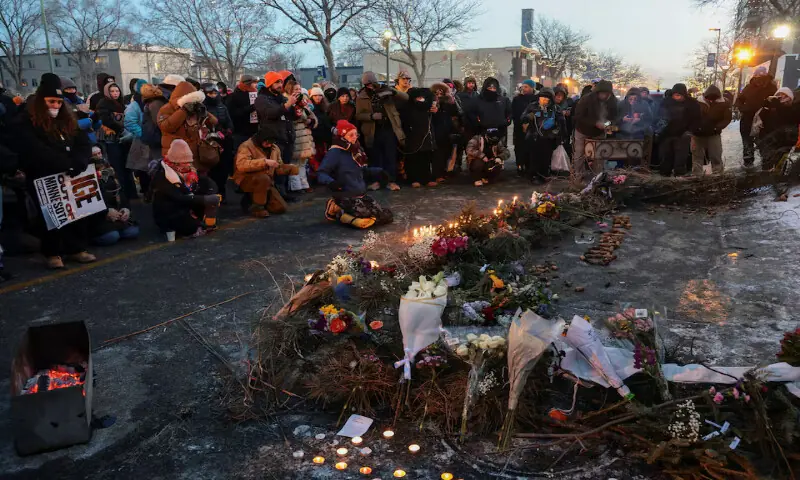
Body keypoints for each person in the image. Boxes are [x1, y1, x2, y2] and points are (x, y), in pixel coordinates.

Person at [12, 73, 95, 269]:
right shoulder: (27, 120)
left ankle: (76, 248)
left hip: (70, 173)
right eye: (51, 101)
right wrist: (65, 163)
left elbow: (82, 142)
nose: (56, 106)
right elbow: (35, 149)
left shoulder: (67, 119)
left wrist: (79, 162)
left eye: (59, 102)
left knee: (75, 211)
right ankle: (52, 252)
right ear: (42, 101)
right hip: (43, 174)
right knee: (49, 214)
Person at [318, 120, 393, 229]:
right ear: (342, 136)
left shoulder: (356, 150)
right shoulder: (335, 153)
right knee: (365, 216)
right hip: (345, 194)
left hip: (360, 193)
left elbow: (362, 170)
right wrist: (332, 182)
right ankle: (336, 208)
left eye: (355, 134)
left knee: (384, 216)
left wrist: (379, 171)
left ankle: (348, 213)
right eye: (351, 135)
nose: (354, 137)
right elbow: (321, 173)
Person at [151, 139, 220, 237]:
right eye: (185, 162)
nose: (188, 165)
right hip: (170, 212)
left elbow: (207, 181)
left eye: (189, 162)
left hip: (185, 207)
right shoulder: (163, 175)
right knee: (190, 226)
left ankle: (201, 222)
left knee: (206, 195)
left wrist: (211, 192)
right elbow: (178, 197)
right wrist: (203, 199)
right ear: (175, 163)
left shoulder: (190, 171)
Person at [355, 71, 407, 191]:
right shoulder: (361, 97)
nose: (371, 87)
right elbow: (358, 115)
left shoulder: (385, 91)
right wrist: (371, 116)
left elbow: (405, 98)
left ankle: (390, 181)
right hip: (372, 131)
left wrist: (392, 91)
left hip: (389, 129)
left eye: (372, 83)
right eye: (368, 85)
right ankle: (377, 181)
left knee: (390, 156)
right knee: (376, 157)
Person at [233, 125, 298, 217]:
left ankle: (252, 200)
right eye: (267, 142)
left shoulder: (274, 149)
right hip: (246, 179)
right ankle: (257, 208)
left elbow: (278, 166)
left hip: (267, 180)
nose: (270, 144)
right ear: (261, 139)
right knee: (263, 179)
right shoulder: (246, 146)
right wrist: (264, 162)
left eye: (272, 142)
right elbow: (241, 165)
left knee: (280, 208)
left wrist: (288, 168)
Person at [255, 72, 299, 200]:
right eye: (277, 82)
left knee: (285, 167)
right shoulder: (262, 99)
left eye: (281, 82)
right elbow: (271, 113)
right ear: (269, 84)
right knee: (275, 168)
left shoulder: (281, 98)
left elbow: (290, 116)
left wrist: (296, 111)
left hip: (287, 137)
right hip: (274, 138)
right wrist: (287, 105)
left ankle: (283, 193)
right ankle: (276, 196)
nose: (280, 85)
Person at [87, 147, 140, 245]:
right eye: (94, 155)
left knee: (133, 232)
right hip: (99, 216)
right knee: (112, 236)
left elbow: (120, 191)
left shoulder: (110, 170)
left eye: (99, 153)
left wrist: (125, 208)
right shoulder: (86, 176)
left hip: (116, 211)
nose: (98, 156)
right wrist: (106, 211)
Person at [96, 81, 139, 200]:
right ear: (107, 92)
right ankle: (123, 194)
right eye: (112, 91)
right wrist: (121, 128)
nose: (115, 93)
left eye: (117, 91)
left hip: (123, 137)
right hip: (111, 138)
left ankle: (131, 193)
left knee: (127, 165)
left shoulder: (121, 103)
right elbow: (106, 120)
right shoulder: (103, 103)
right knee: (117, 165)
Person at [157, 80, 218, 160]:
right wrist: (183, 111)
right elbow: (166, 126)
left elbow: (214, 122)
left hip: (195, 153)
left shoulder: (194, 108)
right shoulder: (167, 108)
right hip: (176, 154)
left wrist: (205, 113)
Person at [573, 80, 617, 176]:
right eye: (602, 94)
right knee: (580, 153)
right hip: (583, 130)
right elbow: (578, 116)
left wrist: (607, 124)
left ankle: (597, 176)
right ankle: (578, 175)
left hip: (599, 132)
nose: (604, 96)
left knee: (599, 154)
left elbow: (613, 116)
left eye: (607, 94)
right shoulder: (586, 99)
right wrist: (595, 123)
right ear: (597, 92)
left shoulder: (612, 101)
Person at [735, 66, 778, 167]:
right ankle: (748, 164)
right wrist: (743, 108)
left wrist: (767, 109)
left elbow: (775, 102)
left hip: (764, 120)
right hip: (747, 119)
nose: (759, 77)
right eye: (757, 75)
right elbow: (739, 100)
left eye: (762, 74)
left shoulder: (771, 87)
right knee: (747, 143)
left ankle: (767, 165)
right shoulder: (748, 87)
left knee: (764, 143)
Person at [521, 88, 565, 183]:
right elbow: (523, 118)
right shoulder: (532, 106)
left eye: (546, 99)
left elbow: (561, 124)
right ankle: (533, 175)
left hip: (548, 138)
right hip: (534, 137)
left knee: (546, 158)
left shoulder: (555, 108)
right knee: (534, 157)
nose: (543, 101)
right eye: (542, 98)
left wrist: (555, 134)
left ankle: (544, 175)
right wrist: (529, 116)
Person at [657, 83, 701, 176]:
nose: (676, 97)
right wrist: (660, 128)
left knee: (681, 157)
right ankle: (665, 175)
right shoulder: (666, 102)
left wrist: (690, 131)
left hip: (683, 134)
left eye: (679, 95)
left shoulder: (692, 103)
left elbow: (697, 119)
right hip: (667, 134)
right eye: (675, 95)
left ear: (683, 94)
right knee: (666, 157)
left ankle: (679, 175)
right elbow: (660, 115)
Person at [202, 83, 234, 203]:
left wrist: (228, 131)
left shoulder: (222, 106)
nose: (213, 95)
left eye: (215, 93)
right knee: (212, 168)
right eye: (210, 93)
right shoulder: (202, 108)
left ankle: (222, 191)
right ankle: (212, 192)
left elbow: (229, 122)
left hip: (223, 141)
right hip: (208, 143)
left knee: (224, 168)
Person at [753, 87, 800, 170]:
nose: (782, 97)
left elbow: (787, 116)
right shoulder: (771, 108)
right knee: (767, 165)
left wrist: (777, 105)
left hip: (785, 143)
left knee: (781, 164)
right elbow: (761, 121)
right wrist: (766, 104)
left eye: (785, 96)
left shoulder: (793, 109)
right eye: (779, 95)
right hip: (769, 141)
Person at [401, 87, 437, 187]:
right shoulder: (408, 107)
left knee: (426, 156)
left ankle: (426, 178)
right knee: (414, 157)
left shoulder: (429, 106)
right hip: (413, 133)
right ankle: (413, 178)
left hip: (426, 134)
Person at [691, 85, 732, 175]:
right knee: (697, 156)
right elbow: (691, 116)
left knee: (715, 155)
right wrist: (695, 127)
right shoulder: (697, 102)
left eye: (714, 99)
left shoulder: (724, 103)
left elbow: (727, 119)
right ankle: (697, 174)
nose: (711, 101)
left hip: (714, 134)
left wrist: (717, 127)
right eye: (709, 99)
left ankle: (718, 173)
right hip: (698, 134)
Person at [123, 79, 155, 195]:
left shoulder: (152, 102)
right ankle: (146, 192)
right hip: (141, 141)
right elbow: (129, 122)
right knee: (143, 169)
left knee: (153, 167)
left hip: (153, 140)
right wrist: (142, 133)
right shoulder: (135, 105)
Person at [288, 84, 317, 193]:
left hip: (305, 135)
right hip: (297, 135)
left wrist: (312, 121)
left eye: (299, 89)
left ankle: (304, 183)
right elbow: (294, 118)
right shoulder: (290, 103)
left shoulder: (304, 102)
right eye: (296, 89)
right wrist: (305, 118)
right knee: (294, 162)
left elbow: (312, 116)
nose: (298, 91)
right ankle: (295, 186)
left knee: (303, 162)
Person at [430, 82, 460, 182]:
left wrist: (451, 98)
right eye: (437, 93)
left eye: (441, 93)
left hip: (447, 130)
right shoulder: (433, 102)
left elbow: (456, 112)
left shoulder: (448, 103)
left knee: (447, 153)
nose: (439, 95)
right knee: (438, 154)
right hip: (436, 131)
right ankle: (437, 174)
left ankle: (444, 172)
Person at [61, 77, 101, 144]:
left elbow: (93, 123)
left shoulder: (80, 101)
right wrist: (90, 120)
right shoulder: (62, 104)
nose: (72, 91)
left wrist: (96, 118)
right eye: (68, 89)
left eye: (73, 89)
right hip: (75, 141)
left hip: (90, 138)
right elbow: (71, 125)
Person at [511, 79, 538, 176]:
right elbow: (513, 113)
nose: (524, 88)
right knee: (519, 147)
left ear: (532, 88)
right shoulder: (517, 99)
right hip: (519, 127)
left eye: (526, 86)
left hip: (532, 128)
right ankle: (520, 165)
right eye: (523, 86)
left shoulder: (536, 99)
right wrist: (520, 123)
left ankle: (529, 166)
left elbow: (537, 112)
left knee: (530, 147)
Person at [228, 74, 260, 153]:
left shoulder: (255, 94)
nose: (255, 85)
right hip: (240, 133)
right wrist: (252, 107)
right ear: (246, 84)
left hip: (254, 131)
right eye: (253, 83)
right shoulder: (233, 96)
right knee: (240, 155)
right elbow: (233, 114)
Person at [309, 87, 332, 182]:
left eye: (319, 95)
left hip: (323, 138)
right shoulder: (310, 108)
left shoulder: (325, 108)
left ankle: (323, 177)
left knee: (323, 159)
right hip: (314, 138)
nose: (318, 97)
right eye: (315, 95)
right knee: (314, 160)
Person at [553, 84, 575, 156]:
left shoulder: (568, 102)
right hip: (552, 131)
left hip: (565, 130)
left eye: (561, 95)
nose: (559, 97)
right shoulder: (550, 105)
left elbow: (573, 113)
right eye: (557, 95)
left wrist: (569, 113)